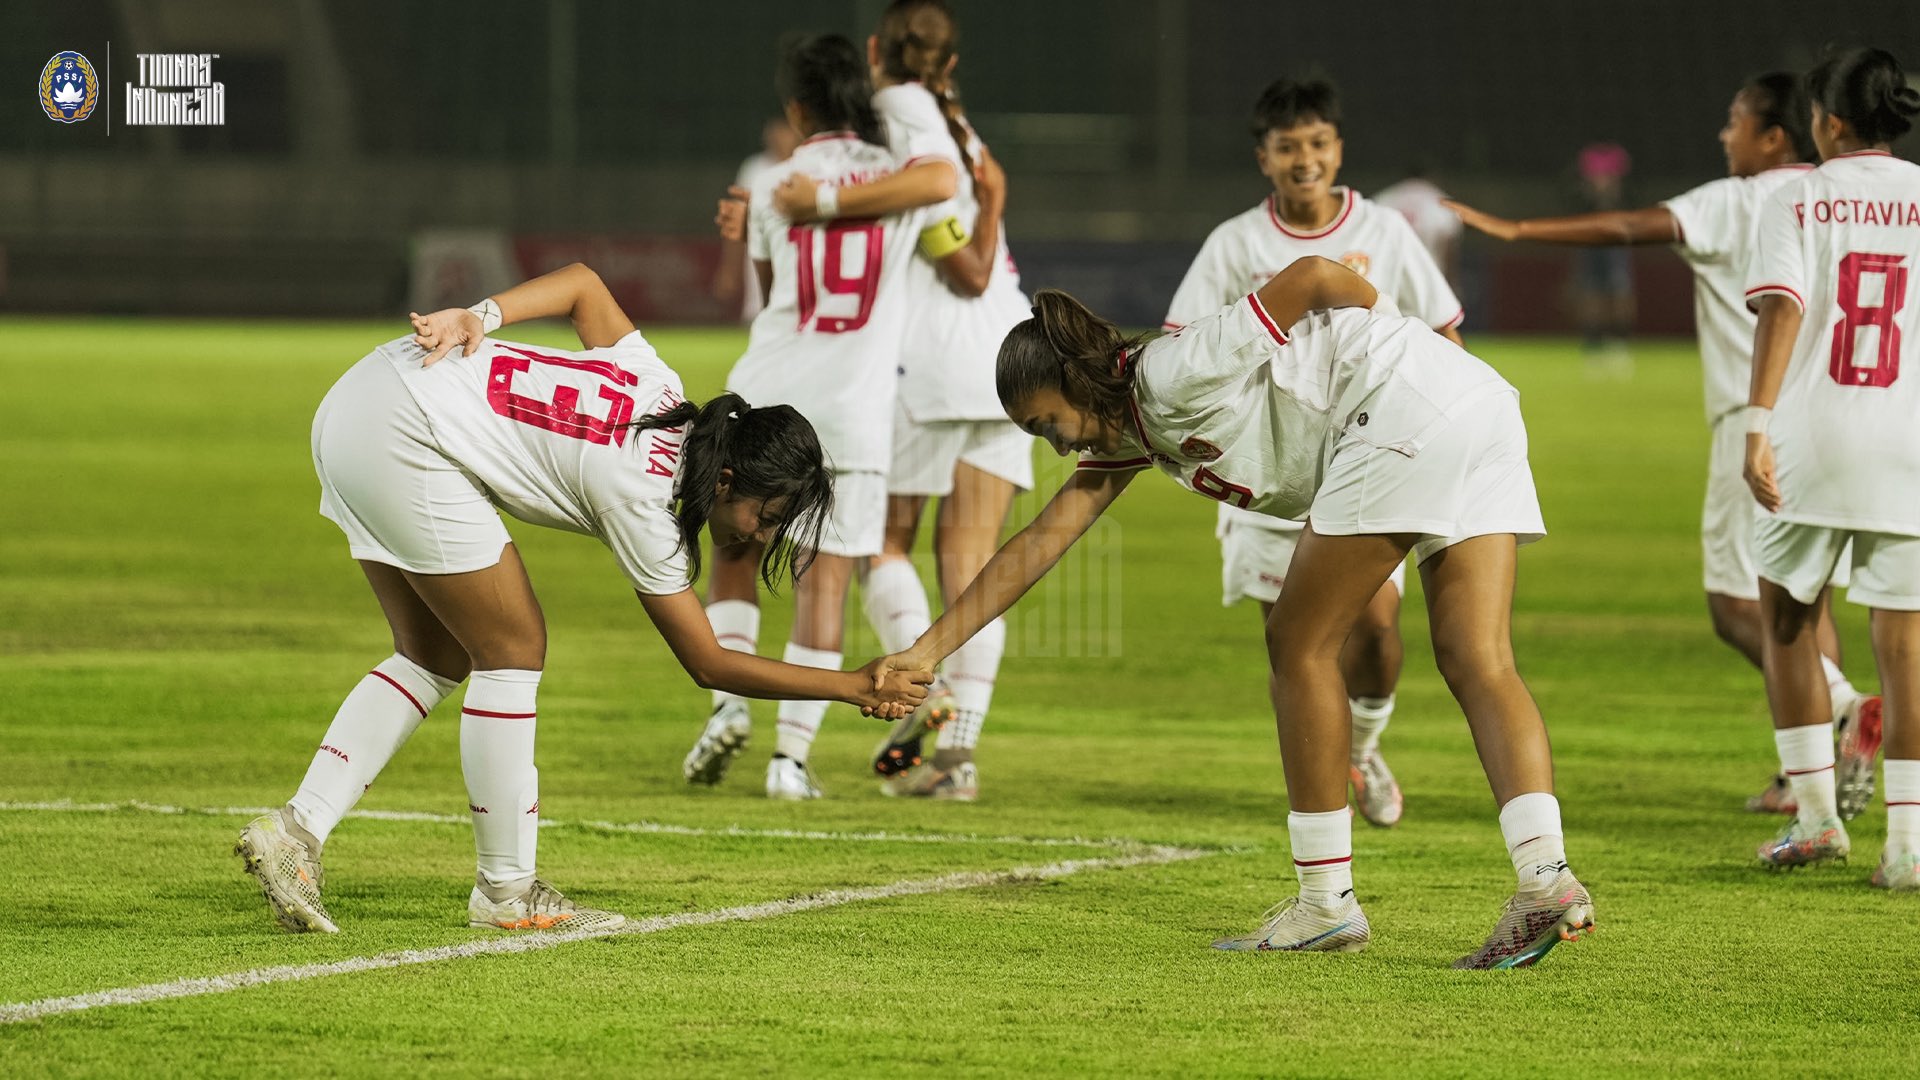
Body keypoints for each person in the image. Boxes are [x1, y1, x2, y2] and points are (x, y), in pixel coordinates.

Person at [875, 259, 1595, 967]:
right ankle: (1544, 879)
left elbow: (1314, 276)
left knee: (1298, 643)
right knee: (1478, 657)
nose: (1057, 445)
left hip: (1405, 404)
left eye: (1046, 424)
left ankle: (1324, 903)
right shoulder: (1134, 425)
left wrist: (1386, 337)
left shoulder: (1169, 371)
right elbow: (1038, 543)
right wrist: (926, 651)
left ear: (1072, 381)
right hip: (1478, 402)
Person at [233, 263, 929, 935]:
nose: (761, 534)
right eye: (766, 515)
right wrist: (850, 685)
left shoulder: (660, 386)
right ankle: (507, 893)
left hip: (364, 396)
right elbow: (709, 664)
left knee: (434, 652)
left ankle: (295, 832)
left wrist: (480, 316)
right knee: (513, 647)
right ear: (724, 480)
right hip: (403, 431)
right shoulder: (647, 499)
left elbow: (584, 286)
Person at [1446, 74, 1882, 819]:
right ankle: (1803, 764)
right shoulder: (1839, 196)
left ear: (1774, 135)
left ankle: (1843, 708)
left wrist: (1518, 232)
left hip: (1754, 422)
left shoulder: (1739, 199)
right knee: (1805, 596)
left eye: (1735, 122)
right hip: (1843, 417)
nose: (1724, 135)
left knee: (1736, 603)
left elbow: (1626, 227)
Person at [1162, 76, 1467, 829]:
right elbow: (1183, 345)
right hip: (1266, 471)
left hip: (1368, 459)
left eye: (1318, 143)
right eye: (1288, 146)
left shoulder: (1385, 231)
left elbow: (1444, 333)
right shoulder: (1234, 243)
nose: (1306, 159)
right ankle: (1319, 790)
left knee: (1376, 628)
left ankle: (1361, 748)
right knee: (1293, 640)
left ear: (1339, 149)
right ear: (1263, 157)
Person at [756, 0, 1030, 802]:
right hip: (1003, 353)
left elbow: (949, 246)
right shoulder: (959, 121)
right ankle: (958, 756)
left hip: (933, 359)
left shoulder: (893, 110)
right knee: (972, 567)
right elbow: (974, 242)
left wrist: (822, 206)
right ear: (952, 63)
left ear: (877, 52)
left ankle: (929, 692)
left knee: (877, 546)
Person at [683, 33, 932, 800]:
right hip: (855, 408)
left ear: (796, 108)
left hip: (769, 390)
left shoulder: (773, 181)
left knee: (731, 550)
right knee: (822, 583)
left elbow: (766, 285)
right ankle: (789, 764)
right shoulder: (898, 179)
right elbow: (941, 190)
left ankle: (728, 703)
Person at [1741, 46, 1920, 887]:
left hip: (1814, 437)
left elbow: (1784, 305)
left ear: (1833, 121)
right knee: (1905, 647)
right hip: (1910, 443)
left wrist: (1755, 423)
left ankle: (1815, 822)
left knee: (1783, 615)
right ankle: (1910, 846)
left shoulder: (1800, 195)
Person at [711, 117, 801, 322]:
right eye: (776, 130)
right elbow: (735, 223)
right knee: (760, 316)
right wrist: (729, 269)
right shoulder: (755, 168)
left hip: (798, 267)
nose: (779, 136)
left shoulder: (807, 167)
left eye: (785, 130)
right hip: (759, 269)